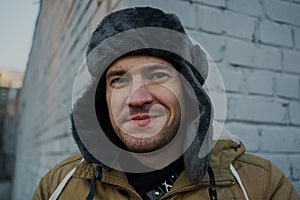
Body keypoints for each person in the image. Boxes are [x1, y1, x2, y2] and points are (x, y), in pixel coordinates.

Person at [33, 7, 299, 200]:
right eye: (118, 81)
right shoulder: (58, 187)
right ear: (101, 100)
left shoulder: (260, 187)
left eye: (158, 75)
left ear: (188, 91)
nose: (137, 99)